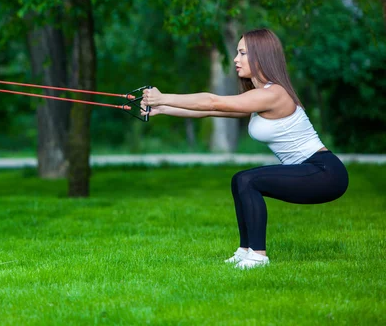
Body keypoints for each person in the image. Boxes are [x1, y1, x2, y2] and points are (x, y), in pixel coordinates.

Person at [141, 28, 349, 269]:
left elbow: (212, 100)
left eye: (242, 53)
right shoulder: (260, 95)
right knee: (240, 179)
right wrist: (161, 109)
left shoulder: (275, 94)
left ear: (260, 56)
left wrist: (163, 96)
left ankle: (258, 256)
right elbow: (211, 110)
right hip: (312, 170)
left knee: (249, 180)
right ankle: (245, 251)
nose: (235, 60)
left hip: (325, 172)